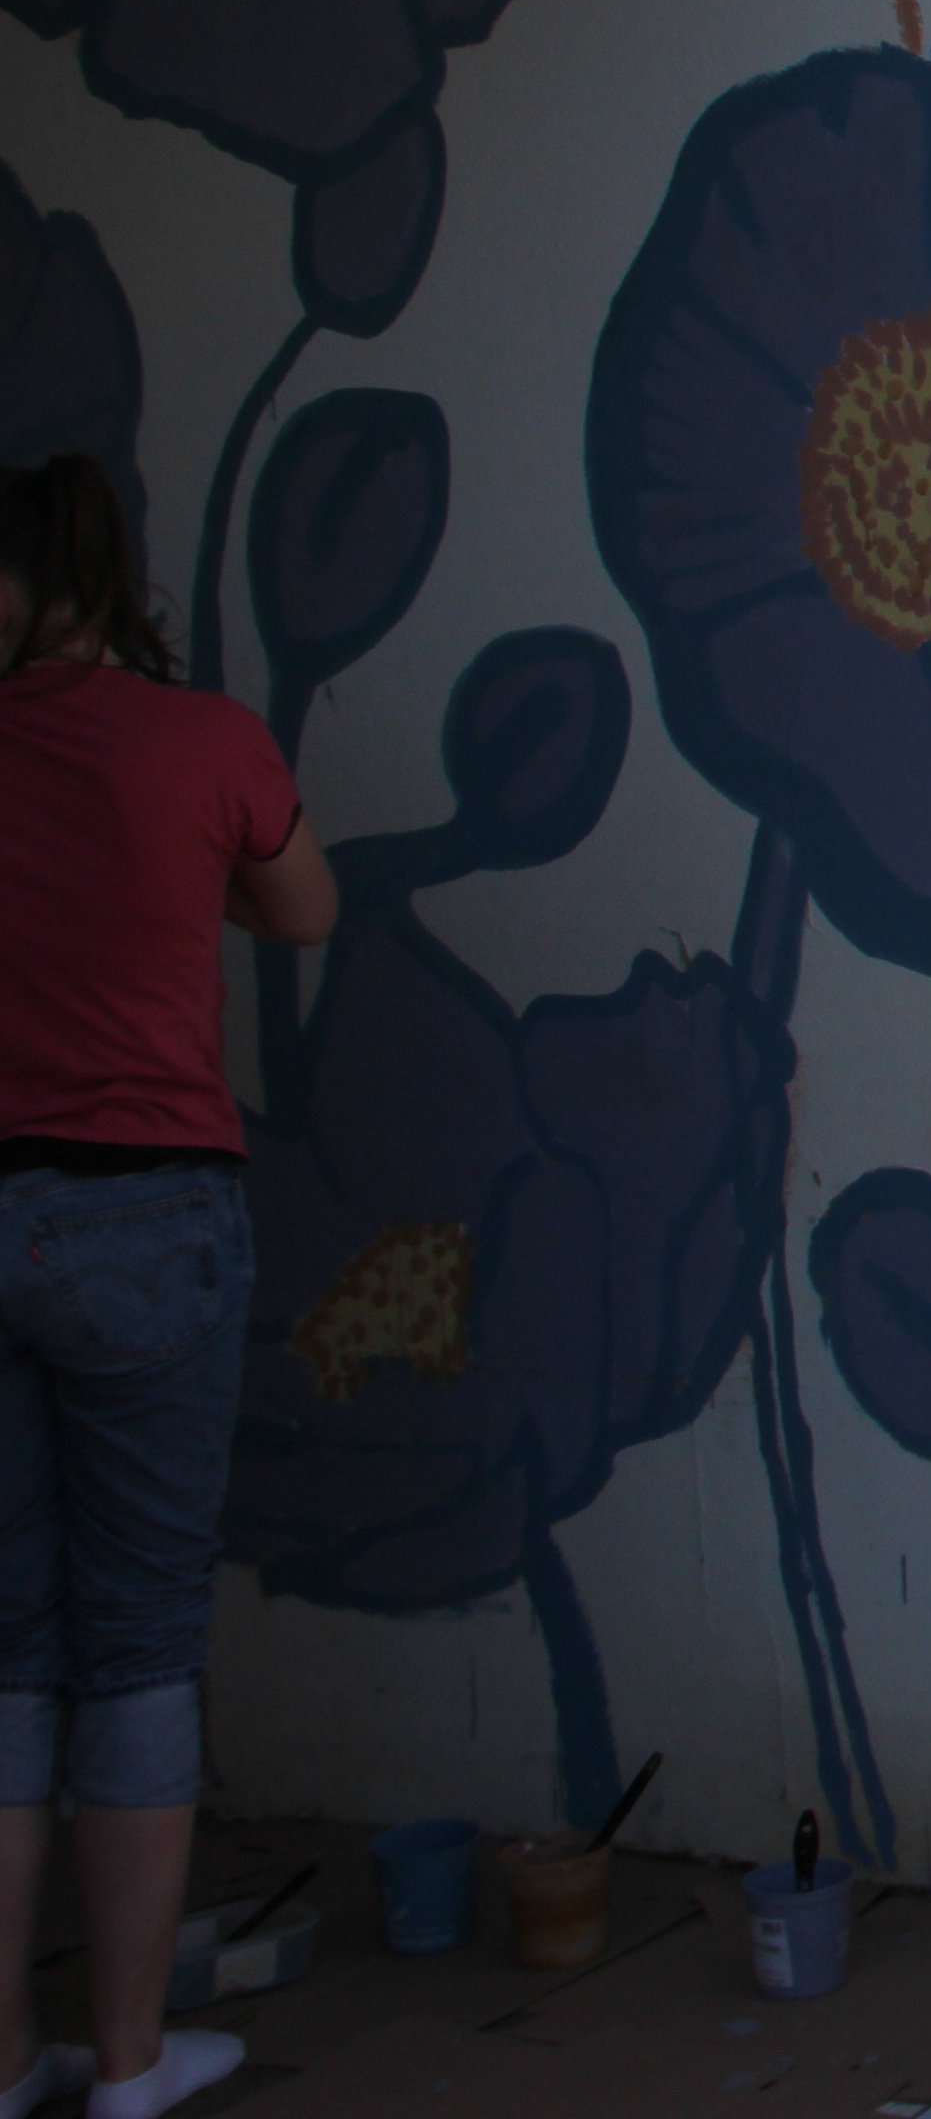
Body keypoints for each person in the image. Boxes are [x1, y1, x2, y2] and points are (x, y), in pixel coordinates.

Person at [0, 458, 332, 2119]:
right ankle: (128, 2063)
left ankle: (0, 2059)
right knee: (131, 1642)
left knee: (3, 1649)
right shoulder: (197, 742)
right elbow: (301, 908)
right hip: (142, 1219)